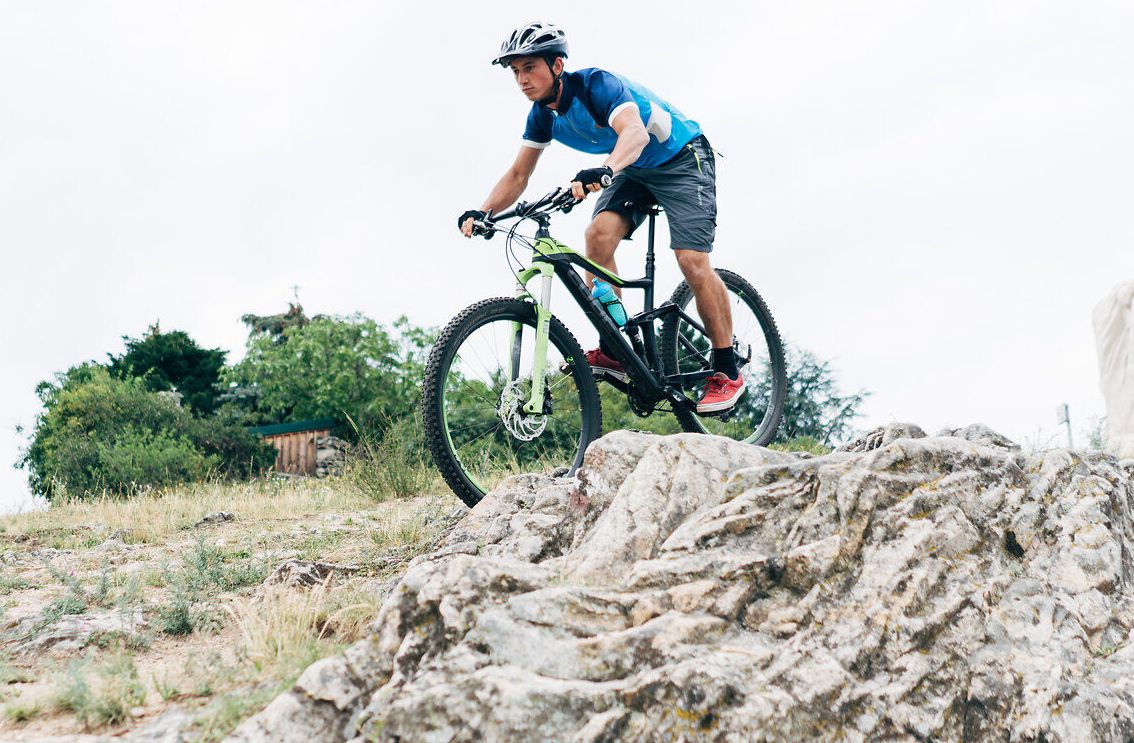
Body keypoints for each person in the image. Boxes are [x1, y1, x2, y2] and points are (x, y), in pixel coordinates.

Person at [458, 22, 745, 413]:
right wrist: (483, 212)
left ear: (557, 65)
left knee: (691, 259)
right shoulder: (541, 115)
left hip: (681, 158)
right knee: (597, 237)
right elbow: (518, 175)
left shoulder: (596, 85)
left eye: (529, 68)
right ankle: (616, 346)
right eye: (515, 72)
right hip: (634, 171)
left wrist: (605, 169)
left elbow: (635, 134)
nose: (522, 80)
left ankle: (727, 370)